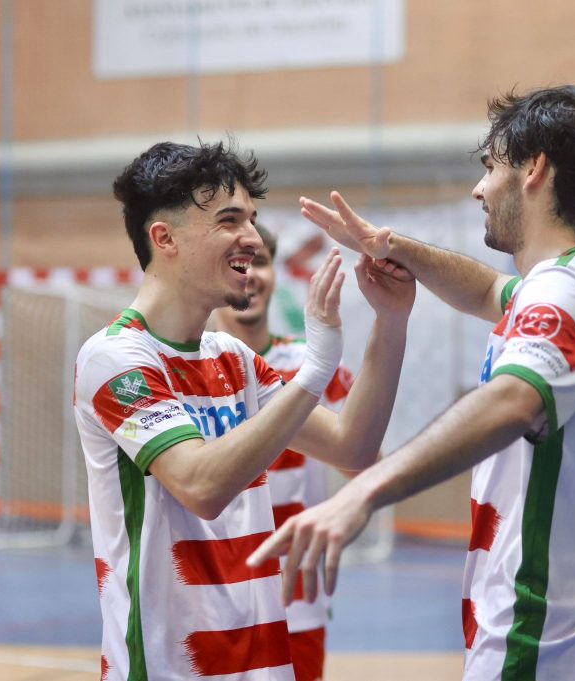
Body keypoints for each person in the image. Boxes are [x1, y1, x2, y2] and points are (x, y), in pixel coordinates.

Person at [249, 85, 575, 680]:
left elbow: (516, 400)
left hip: (541, 638)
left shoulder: (560, 291)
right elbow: (485, 290)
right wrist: (390, 247)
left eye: (492, 166)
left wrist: (362, 494)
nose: (479, 187)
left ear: (535, 171)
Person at [73, 140, 414, 681]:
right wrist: (315, 373)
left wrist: (391, 322)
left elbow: (354, 445)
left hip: (265, 664)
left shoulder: (232, 358)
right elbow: (201, 487)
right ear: (164, 239)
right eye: (230, 220)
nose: (253, 240)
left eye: (252, 221)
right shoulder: (114, 358)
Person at [213, 224, 356, 681]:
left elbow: (364, 464)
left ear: (276, 273)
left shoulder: (313, 369)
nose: (250, 274)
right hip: (210, 592)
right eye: (236, 263)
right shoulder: (184, 370)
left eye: (260, 261)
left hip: (293, 595)